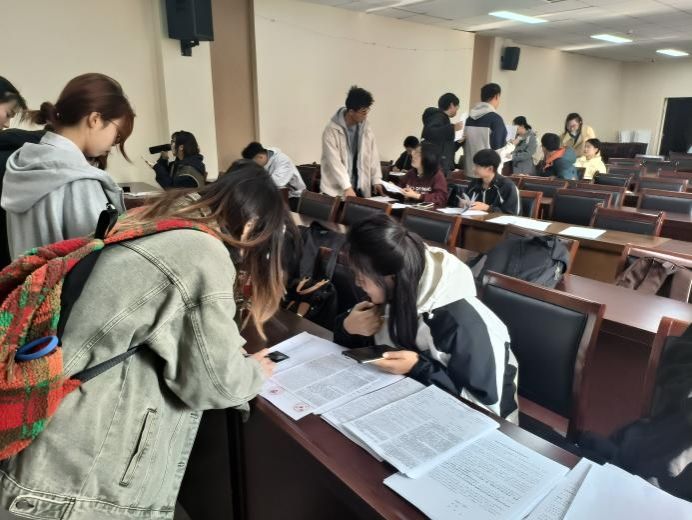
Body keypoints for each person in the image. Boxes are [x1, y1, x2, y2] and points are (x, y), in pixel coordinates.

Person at [0, 162, 287, 520]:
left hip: (46, 449)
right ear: (251, 226)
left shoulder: (152, 220)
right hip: (77, 480)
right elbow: (217, 383)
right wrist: (255, 371)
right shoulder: (201, 251)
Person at [334, 214, 518, 419]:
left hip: (471, 421)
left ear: (392, 277)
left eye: (362, 277)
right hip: (403, 402)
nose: (358, 283)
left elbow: (485, 409)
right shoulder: (392, 290)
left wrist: (417, 367)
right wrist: (347, 327)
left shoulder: (464, 324)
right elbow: (365, 350)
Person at [2, 73, 134, 259]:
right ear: (95, 119)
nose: (114, 142)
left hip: (26, 278)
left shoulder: (22, 166)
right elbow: (102, 262)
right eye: (117, 133)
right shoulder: (78, 180)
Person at [321, 86, 383, 198]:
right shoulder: (331, 130)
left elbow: (373, 155)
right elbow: (334, 162)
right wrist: (347, 187)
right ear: (351, 111)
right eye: (363, 112)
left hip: (359, 187)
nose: (366, 115)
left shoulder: (366, 128)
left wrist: (376, 180)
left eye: (367, 111)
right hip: (336, 190)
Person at [464, 83, 514, 177]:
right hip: (488, 175)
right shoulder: (495, 119)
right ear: (496, 96)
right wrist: (512, 145)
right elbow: (499, 151)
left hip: (470, 171)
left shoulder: (469, 119)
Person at [241, 141, 306, 205]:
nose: (254, 166)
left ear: (260, 157)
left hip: (295, 196)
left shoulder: (282, 160)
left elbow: (278, 182)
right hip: (275, 194)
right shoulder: (265, 157)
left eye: (253, 163)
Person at [466, 149, 520, 215]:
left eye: (477, 166)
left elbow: (512, 214)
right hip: (474, 220)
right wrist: (464, 203)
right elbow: (467, 200)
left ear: (490, 169)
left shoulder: (507, 186)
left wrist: (488, 208)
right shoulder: (474, 183)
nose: (473, 169)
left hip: (496, 222)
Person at [421, 93, 463, 175]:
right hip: (436, 167)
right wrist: (453, 127)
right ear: (451, 105)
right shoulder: (438, 116)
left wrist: (459, 142)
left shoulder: (441, 118)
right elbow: (430, 132)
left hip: (438, 166)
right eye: (457, 108)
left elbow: (445, 146)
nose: (456, 111)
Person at [401, 141, 448, 207]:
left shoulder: (437, 175)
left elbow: (441, 198)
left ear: (428, 157)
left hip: (424, 212)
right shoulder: (411, 173)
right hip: (407, 208)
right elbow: (400, 189)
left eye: (418, 153)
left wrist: (417, 195)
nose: (413, 155)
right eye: (414, 152)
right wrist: (390, 188)